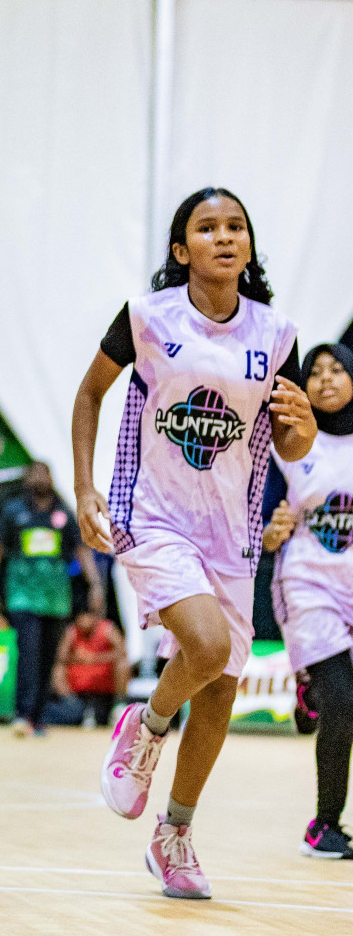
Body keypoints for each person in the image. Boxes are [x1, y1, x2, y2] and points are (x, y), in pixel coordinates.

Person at [72, 187, 312, 898]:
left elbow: (291, 443)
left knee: (221, 688)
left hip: (231, 531)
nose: (224, 237)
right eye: (207, 228)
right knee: (205, 647)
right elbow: (90, 395)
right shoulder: (148, 318)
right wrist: (84, 488)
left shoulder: (276, 335)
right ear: (182, 249)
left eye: (236, 226)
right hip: (152, 515)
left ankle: (174, 834)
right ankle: (144, 727)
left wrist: (302, 426)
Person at [263, 342, 353, 859]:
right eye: (315, 371)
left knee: (340, 700)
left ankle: (310, 692)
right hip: (308, 583)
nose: (325, 379)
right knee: (343, 699)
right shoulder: (288, 444)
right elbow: (261, 522)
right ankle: (324, 826)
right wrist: (270, 532)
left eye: (337, 369)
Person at [0, 461, 104, 736]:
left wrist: (95, 585)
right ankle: (22, 715)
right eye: (35, 473)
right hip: (23, 594)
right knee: (28, 652)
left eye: (45, 472)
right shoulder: (14, 511)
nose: (40, 478)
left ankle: (39, 717)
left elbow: (82, 549)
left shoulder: (63, 512)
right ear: (27, 478)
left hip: (55, 597)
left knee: (49, 655)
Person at [52, 610, 124, 727]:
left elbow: (122, 653)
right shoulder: (72, 631)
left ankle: (119, 703)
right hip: (77, 683)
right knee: (58, 669)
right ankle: (69, 704)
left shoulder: (107, 629)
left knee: (123, 664)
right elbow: (61, 657)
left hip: (103, 680)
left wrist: (94, 658)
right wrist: (77, 657)